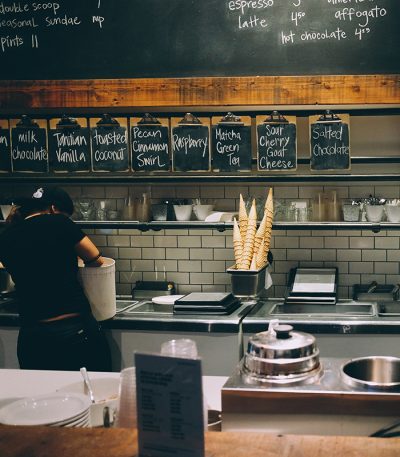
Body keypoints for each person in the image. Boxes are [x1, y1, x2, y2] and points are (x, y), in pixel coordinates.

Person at [0, 186, 112, 371]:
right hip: (74, 330)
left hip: (33, 336)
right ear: (53, 208)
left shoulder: (6, 236)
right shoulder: (60, 223)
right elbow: (95, 259)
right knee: (93, 394)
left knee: (44, 395)